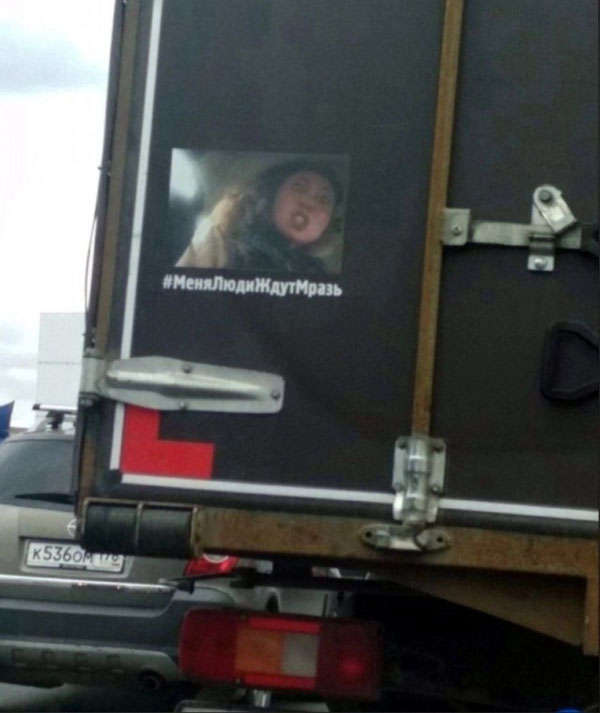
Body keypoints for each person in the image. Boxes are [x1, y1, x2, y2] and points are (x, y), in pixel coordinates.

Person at [175, 160, 344, 274]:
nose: (308, 203)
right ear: (272, 195)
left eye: (323, 199)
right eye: (299, 187)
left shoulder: (319, 277)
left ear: (328, 223)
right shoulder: (215, 239)